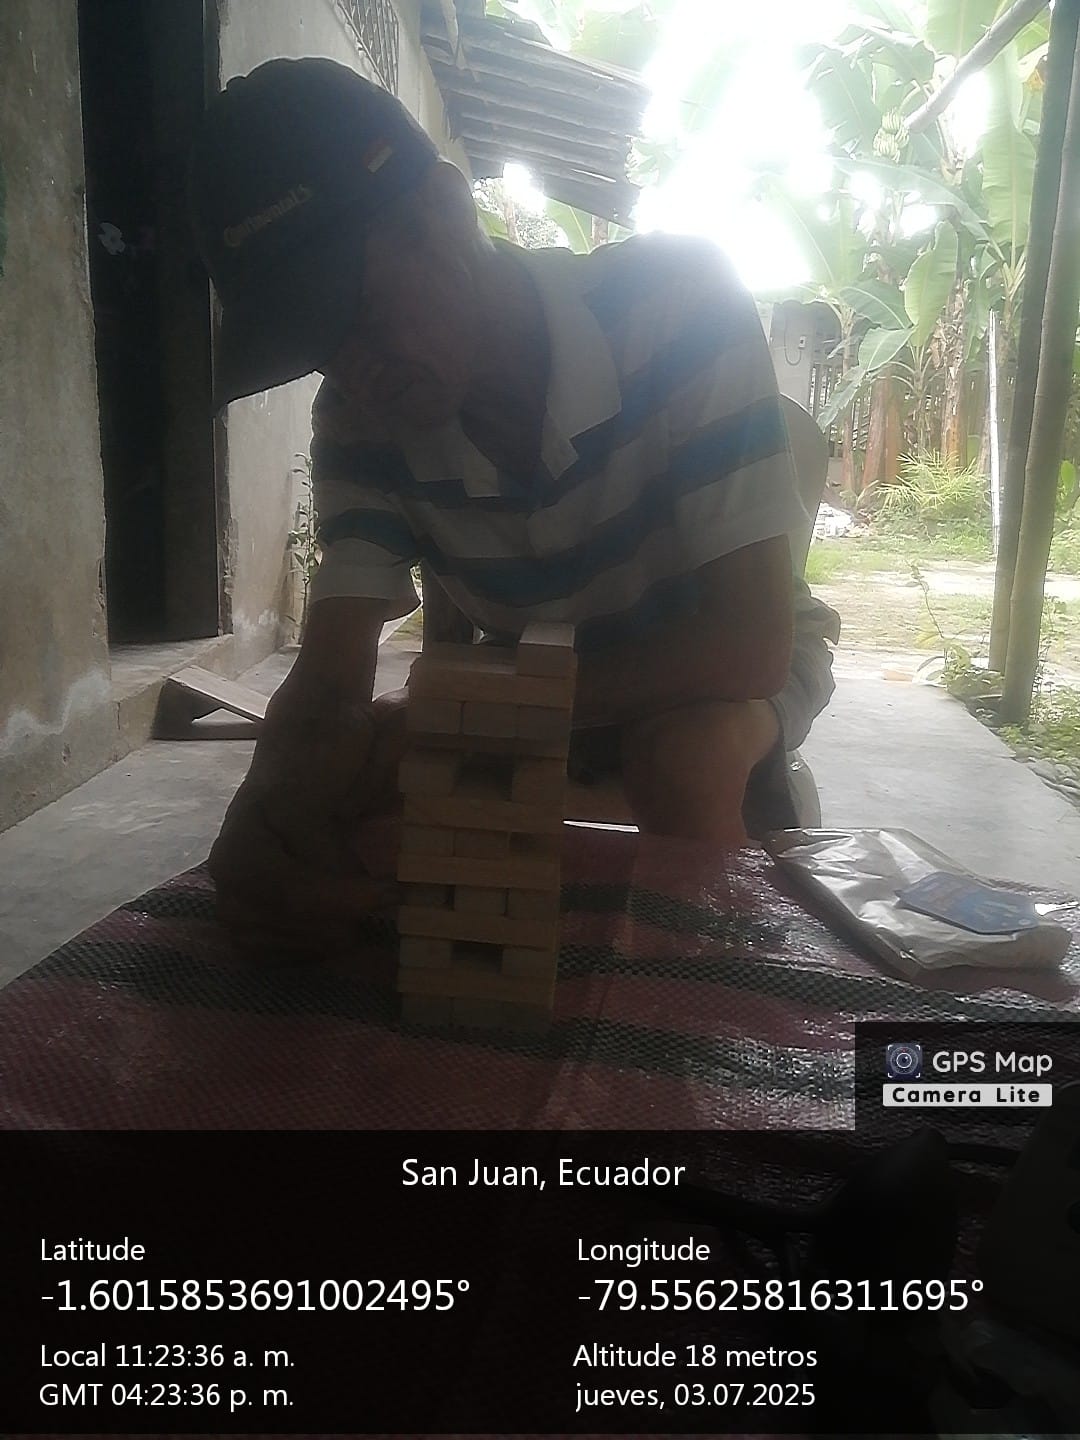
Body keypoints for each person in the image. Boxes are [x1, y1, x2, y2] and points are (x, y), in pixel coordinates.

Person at [188, 57, 840, 955]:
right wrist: (268, 813)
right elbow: (332, 681)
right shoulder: (361, 419)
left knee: (681, 762)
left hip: (729, 667)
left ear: (447, 211)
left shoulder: (677, 307)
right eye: (316, 344)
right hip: (545, 670)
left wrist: (482, 703)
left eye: (357, 311)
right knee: (346, 773)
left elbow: (749, 641)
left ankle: (716, 996)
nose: (352, 369)